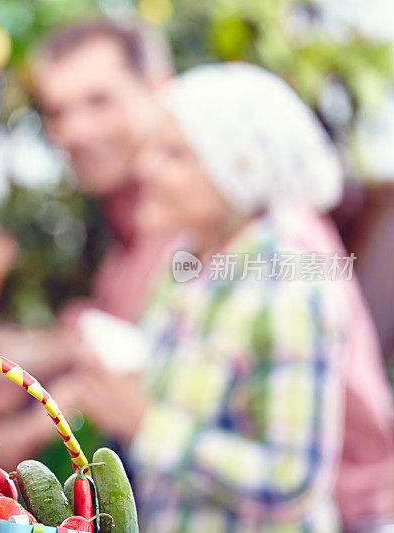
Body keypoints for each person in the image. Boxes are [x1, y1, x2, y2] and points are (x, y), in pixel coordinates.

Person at [49, 62, 394, 531]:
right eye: (154, 148)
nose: (146, 166)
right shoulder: (189, 255)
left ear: (238, 168)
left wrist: (147, 424)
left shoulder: (288, 286)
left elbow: (292, 479)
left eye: (176, 155)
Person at [0, 18, 177, 419]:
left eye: (99, 101)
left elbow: (148, 355)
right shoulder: (122, 225)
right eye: (58, 111)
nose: (74, 131)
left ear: (158, 89)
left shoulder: (208, 219)